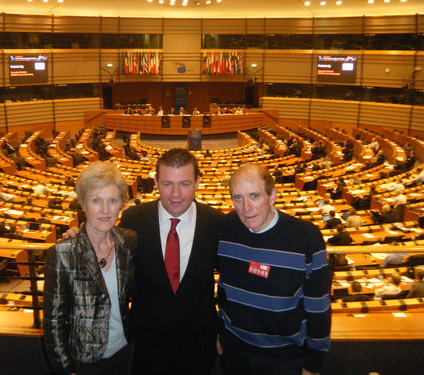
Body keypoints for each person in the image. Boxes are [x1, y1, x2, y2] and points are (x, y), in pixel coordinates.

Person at [217, 164, 331, 375]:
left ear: (272, 196)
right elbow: (224, 287)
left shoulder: (306, 237)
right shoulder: (227, 228)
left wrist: (313, 362)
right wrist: (221, 334)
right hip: (235, 352)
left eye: (254, 196)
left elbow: (318, 305)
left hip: (285, 360)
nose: (246, 207)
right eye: (238, 198)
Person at [120, 148, 224, 375]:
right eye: (167, 184)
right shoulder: (132, 219)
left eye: (185, 184)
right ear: (156, 182)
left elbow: (231, 279)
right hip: (147, 344)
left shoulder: (217, 223)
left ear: (198, 181)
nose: (176, 194)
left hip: (198, 344)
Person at [44, 161, 136, 375]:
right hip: (84, 360)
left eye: (112, 200)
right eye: (96, 200)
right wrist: (66, 370)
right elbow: (53, 322)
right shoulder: (63, 253)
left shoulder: (129, 242)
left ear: (122, 203)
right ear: (83, 203)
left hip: (125, 352)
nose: (105, 210)